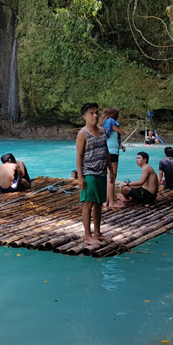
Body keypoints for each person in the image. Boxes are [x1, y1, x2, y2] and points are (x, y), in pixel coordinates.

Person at [76, 103, 115, 246]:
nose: (95, 116)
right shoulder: (82, 133)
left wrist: (111, 170)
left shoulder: (103, 131)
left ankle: (97, 233)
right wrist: (80, 177)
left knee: (99, 204)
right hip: (89, 173)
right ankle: (87, 235)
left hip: (101, 173)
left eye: (96, 112)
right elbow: (79, 156)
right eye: (91, 113)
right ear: (84, 117)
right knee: (88, 203)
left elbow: (106, 152)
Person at [102, 107, 126, 208]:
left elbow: (114, 137)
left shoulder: (105, 123)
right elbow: (122, 132)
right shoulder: (111, 123)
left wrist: (121, 145)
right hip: (112, 152)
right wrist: (117, 126)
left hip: (109, 150)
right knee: (112, 177)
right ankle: (111, 202)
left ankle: (107, 201)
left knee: (110, 176)